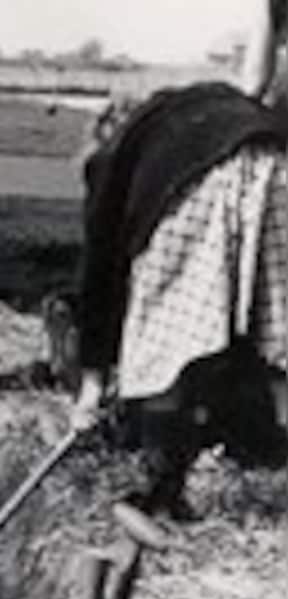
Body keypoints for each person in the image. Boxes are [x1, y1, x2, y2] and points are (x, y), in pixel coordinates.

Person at [71, 81, 288, 519]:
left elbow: (98, 276)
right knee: (282, 331)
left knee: (164, 334)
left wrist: (91, 388)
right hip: (280, 166)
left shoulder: (116, 157)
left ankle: (160, 491)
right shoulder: (197, 105)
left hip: (204, 185)